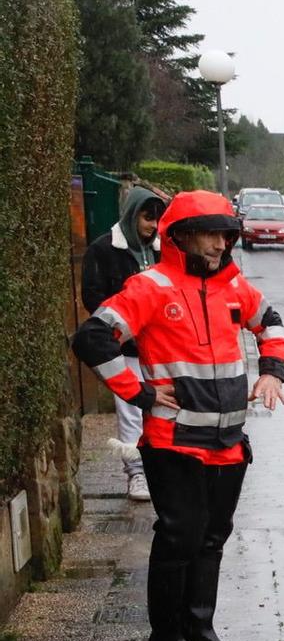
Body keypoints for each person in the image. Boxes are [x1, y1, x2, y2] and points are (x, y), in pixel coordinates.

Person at [70, 190, 284, 641]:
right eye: (212, 234)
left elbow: (270, 322)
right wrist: (139, 393)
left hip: (228, 443)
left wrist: (272, 371)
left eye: (227, 235)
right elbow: (92, 337)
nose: (221, 244)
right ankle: (166, 640)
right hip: (174, 443)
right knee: (180, 537)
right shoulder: (150, 287)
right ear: (182, 237)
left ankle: (199, 630)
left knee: (212, 538)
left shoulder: (233, 285)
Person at [80, 185, 168, 502]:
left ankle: (161, 470)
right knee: (131, 410)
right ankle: (136, 475)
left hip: (160, 349)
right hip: (126, 350)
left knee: (161, 409)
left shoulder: (163, 251)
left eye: (158, 219)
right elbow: (93, 297)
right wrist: (124, 327)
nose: (153, 226)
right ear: (133, 215)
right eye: (148, 218)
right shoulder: (103, 251)